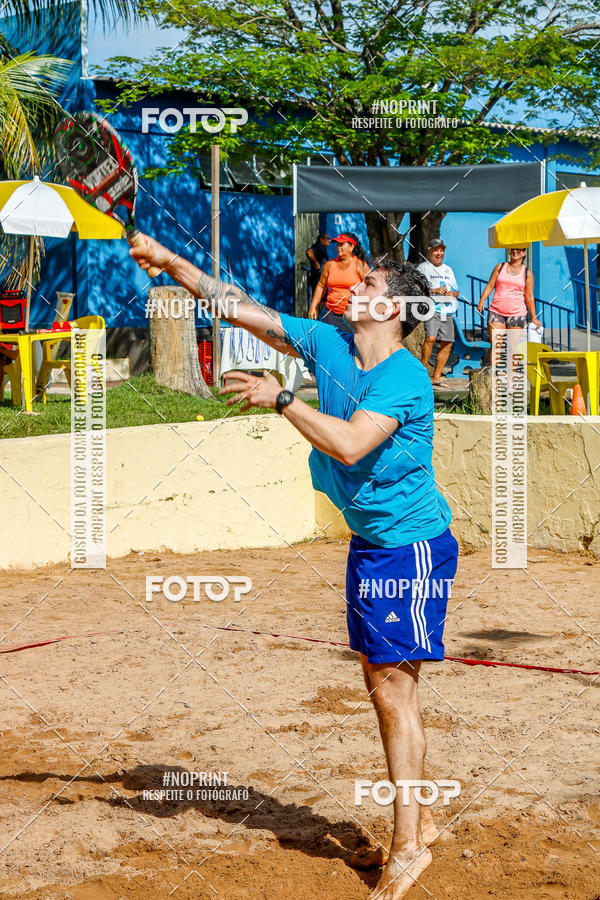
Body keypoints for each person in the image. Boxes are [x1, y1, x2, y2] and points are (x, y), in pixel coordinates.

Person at [131, 234, 459, 900]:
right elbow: (237, 305)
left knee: (393, 695)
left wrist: (282, 399)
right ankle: (419, 816)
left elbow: (348, 443)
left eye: (365, 284)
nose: (351, 287)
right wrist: (170, 261)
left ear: (392, 307)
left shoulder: (403, 376)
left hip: (412, 548)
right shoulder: (329, 341)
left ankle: (407, 850)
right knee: (386, 688)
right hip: (372, 544)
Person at [477, 248, 541, 359]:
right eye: (513, 249)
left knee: (512, 347)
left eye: (519, 250)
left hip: (517, 313)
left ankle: (511, 377)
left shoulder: (527, 273)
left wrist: (534, 317)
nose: (515, 251)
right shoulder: (500, 267)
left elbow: (529, 296)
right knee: (496, 345)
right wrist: (482, 300)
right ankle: (495, 375)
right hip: (496, 311)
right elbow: (490, 285)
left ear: (524, 253)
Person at [308, 232, 370, 332]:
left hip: (352, 315)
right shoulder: (330, 264)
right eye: (337, 245)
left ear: (351, 246)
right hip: (331, 315)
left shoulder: (360, 265)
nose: (338, 247)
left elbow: (371, 287)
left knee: (351, 346)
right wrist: (313, 306)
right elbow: (321, 286)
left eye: (342, 244)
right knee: (327, 344)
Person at [417, 238, 459, 389]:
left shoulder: (448, 270)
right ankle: (421, 375)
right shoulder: (423, 268)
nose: (439, 253)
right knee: (431, 338)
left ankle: (436, 377)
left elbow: (456, 291)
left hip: (447, 310)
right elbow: (416, 289)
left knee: (447, 343)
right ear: (429, 252)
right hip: (431, 308)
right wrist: (434, 291)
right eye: (436, 250)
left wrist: (451, 293)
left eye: (441, 250)